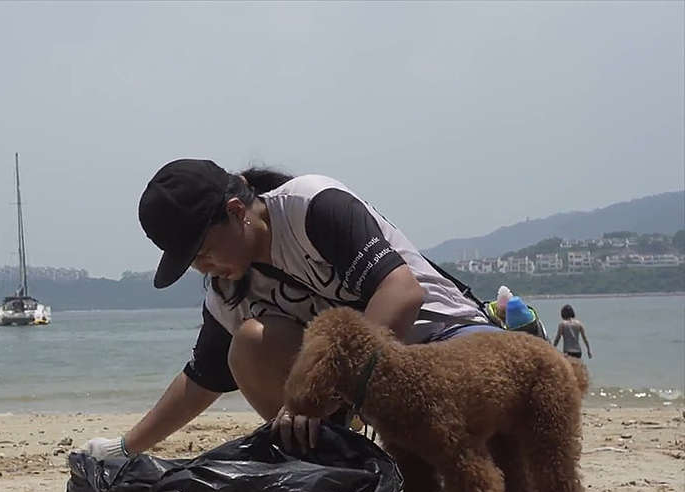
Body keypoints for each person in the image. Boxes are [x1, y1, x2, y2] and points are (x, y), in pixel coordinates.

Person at [81, 158, 499, 458]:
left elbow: (402, 292)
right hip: (368, 388)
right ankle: (336, 458)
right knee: (249, 342)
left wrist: (314, 392)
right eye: (192, 263)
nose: (203, 268)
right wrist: (124, 448)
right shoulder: (229, 291)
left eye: (204, 252)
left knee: (486, 451)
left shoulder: (310, 206)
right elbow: (200, 381)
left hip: (447, 339)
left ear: (236, 211)